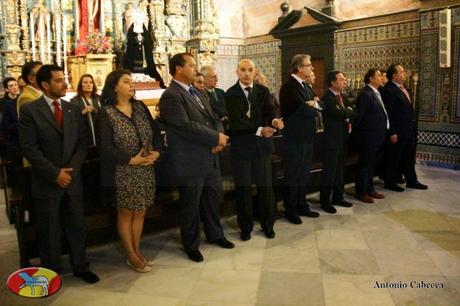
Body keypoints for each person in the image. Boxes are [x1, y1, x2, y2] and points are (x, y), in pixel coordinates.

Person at [19, 64, 99, 283]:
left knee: (76, 225)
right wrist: (55, 173)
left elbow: (82, 143)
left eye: (64, 79)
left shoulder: (72, 108)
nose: (65, 83)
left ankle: (81, 266)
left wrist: (71, 171)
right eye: (58, 80)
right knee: (49, 230)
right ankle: (51, 272)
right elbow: (29, 148)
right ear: (44, 85)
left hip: (72, 178)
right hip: (47, 180)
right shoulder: (30, 110)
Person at [159, 53, 234, 262]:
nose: (195, 69)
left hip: (209, 156)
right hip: (189, 159)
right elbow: (185, 127)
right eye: (191, 65)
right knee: (190, 204)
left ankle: (215, 234)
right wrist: (215, 137)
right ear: (178, 69)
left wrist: (217, 140)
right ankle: (191, 245)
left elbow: (213, 118)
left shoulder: (198, 92)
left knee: (212, 198)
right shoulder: (171, 95)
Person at [98, 69, 161, 272]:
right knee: (126, 213)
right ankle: (131, 255)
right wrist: (130, 159)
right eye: (126, 81)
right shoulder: (106, 112)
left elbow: (155, 132)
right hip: (122, 171)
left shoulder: (140, 106)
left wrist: (157, 153)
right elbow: (105, 147)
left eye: (132, 81)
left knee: (140, 211)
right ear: (115, 86)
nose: (131, 84)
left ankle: (137, 250)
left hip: (145, 169)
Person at [225, 59, 283, 240]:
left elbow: (271, 110)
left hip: (261, 148)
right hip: (242, 148)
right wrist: (260, 129)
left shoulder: (263, 91)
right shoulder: (230, 94)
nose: (247, 73)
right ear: (237, 72)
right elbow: (236, 123)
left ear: (254, 71)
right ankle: (245, 227)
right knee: (243, 190)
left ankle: (268, 225)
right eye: (243, 70)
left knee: (266, 187)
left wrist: (274, 120)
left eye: (250, 70)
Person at [279, 54, 320, 224]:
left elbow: (319, 105)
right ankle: (291, 209)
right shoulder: (289, 87)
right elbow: (305, 110)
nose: (312, 68)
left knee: (303, 174)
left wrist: (313, 104)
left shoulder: (305, 85)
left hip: (307, 137)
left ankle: (302, 205)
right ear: (299, 68)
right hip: (295, 139)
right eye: (308, 65)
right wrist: (311, 105)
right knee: (293, 175)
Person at [381, 64, 427, 191]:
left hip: (408, 130)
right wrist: (392, 132)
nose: (404, 74)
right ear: (394, 75)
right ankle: (390, 182)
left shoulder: (403, 88)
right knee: (393, 157)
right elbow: (388, 113)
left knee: (408, 156)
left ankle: (412, 180)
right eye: (401, 72)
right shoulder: (388, 90)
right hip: (397, 131)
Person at [319, 71, 354, 214]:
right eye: (341, 79)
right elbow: (338, 113)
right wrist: (347, 112)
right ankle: (325, 201)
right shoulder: (327, 98)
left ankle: (338, 197)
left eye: (345, 79)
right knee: (329, 172)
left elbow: (352, 112)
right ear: (333, 82)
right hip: (331, 141)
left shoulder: (343, 97)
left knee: (340, 170)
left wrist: (347, 112)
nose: (344, 81)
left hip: (343, 139)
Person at [354, 69, 388, 203]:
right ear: (370, 79)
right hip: (368, 137)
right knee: (364, 165)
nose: (382, 78)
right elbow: (359, 117)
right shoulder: (365, 94)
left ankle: (370, 189)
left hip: (377, 136)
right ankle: (361, 192)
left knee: (371, 164)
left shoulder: (376, 92)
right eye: (379, 76)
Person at [70, 74, 101, 150]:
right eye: (85, 82)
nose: (88, 85)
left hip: (100, 134)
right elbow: (71, 120)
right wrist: (83, 112)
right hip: (84, 136)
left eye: (91, 82)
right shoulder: (74, 101)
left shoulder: (99, 98)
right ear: (81, 85)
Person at [200, 65, 228, 130]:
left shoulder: (221, 92)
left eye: (216, 76)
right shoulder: (201, 95)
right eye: (213, 77)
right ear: (204, 79)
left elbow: (228, 108)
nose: (217, 79)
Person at [0, 77, 20, 164]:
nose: (15, 87)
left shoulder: (21, 99)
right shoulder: (2, 102)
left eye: (16, 85)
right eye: (11, 86)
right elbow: (4, 124)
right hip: (11, 138)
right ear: (6, 89)